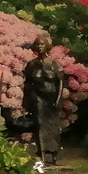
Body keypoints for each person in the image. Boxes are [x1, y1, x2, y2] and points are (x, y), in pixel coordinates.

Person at [23, 39, 66, 167]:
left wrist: (58, 100)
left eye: (43, 44)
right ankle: (41, 153)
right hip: (37, 97)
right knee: (39, 124)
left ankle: (53, 154)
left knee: (53, 126)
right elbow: (28, 84)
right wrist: (25, 101)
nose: (40, 47)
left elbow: (61, 83)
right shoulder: (31, 65)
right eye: (38, 44)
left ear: (47, 47)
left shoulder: (54, 64)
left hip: (52, 99)